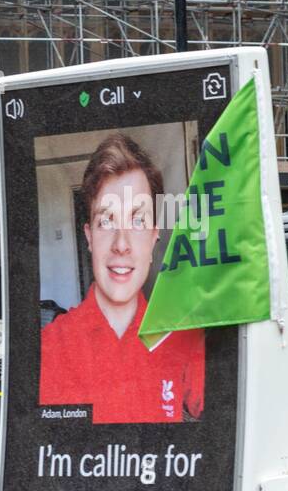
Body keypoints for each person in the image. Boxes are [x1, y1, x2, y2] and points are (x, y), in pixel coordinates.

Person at [39, 133, 205, 423]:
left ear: (154, 236)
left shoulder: (183, 337)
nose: (121, 243)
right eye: (106, 221)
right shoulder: (50, 347)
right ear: (89, 236)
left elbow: (234, 416)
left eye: (137, 220)